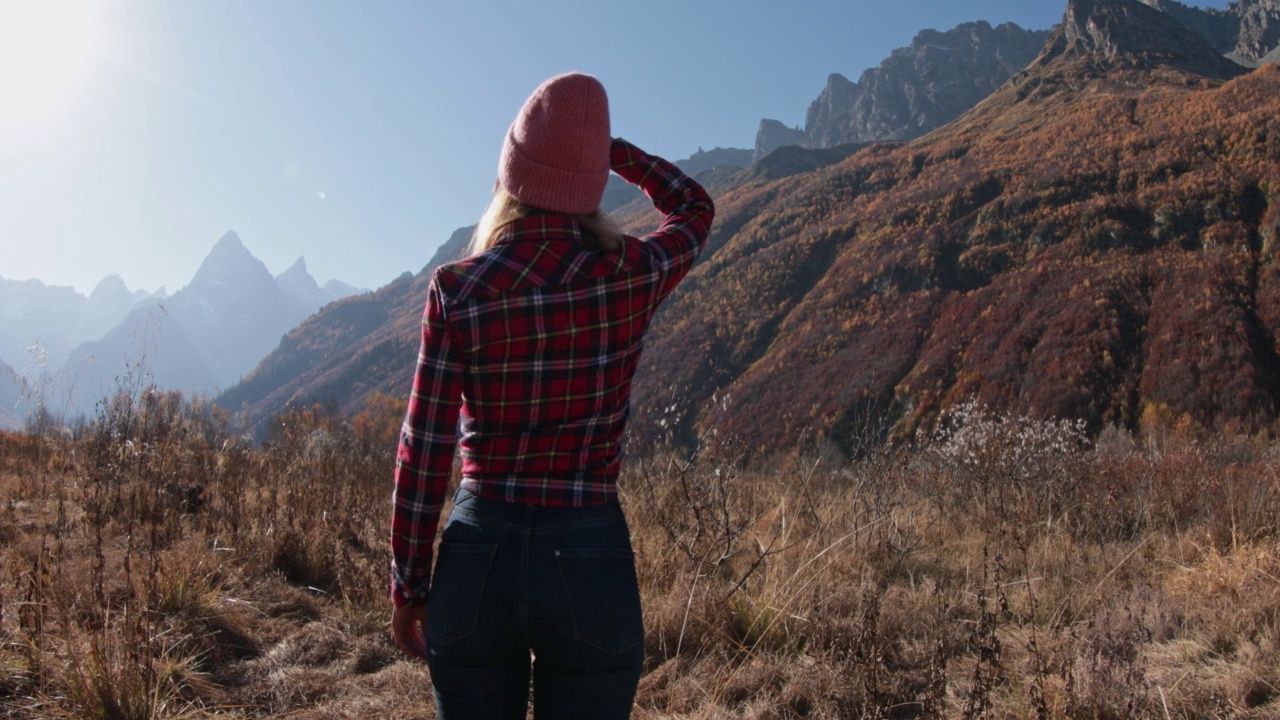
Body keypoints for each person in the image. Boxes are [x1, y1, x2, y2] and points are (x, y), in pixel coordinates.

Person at [388, 71, 715, 719]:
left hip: (479, 545)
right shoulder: (630, 274)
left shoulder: (459, 290)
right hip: (588, 547)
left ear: (510, 174)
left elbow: (423, 452)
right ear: (589, 182)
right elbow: (693, 209)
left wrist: (409, 585)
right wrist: (607, 153)